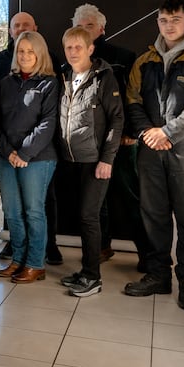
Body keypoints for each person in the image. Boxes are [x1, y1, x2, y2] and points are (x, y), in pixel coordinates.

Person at [124, 0, 184, 311]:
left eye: (176, 20)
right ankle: (158, 276)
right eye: (164, 21)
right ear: (158, 22)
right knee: (153, 214)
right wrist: (149, 134)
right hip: (151, 150)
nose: (169, 26)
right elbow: (133, 102)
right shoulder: (145, 60)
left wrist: (166, 132)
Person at [71, 3, 149, 268]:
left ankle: (148, 255)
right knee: (95, 204)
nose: (84, 31)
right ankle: (101, 247)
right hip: (89, 145)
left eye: (89, 26)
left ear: (102, 29)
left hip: (122, 142)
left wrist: (129, 133)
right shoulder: (72, 63)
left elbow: (134, 98)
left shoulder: (124, 57)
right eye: (79, 26)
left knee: (131, 197)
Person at [0, 12, 63, 265]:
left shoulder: (49, 83)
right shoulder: (5, 83)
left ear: (39, 53)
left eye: (30, 52)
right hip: (7, 156)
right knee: (12, 212)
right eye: (20, 51)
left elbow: (48, 123)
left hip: (38, 158)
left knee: (33, 212)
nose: (24, 56)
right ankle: (18, 259)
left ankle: (34, 263)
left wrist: (23, 153)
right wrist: (8, 151)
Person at [56, 26, 124, 297]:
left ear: (90, 49)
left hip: (95, 160)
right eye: (69, 47)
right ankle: (85, 270)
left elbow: (117, 120)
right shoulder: (64, 75)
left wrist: (107, 159)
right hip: (70, 160)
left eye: (78, 47)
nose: (73, 52)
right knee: (81, 217)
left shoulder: (104, 78)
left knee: (89, 217)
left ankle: (93, 277)